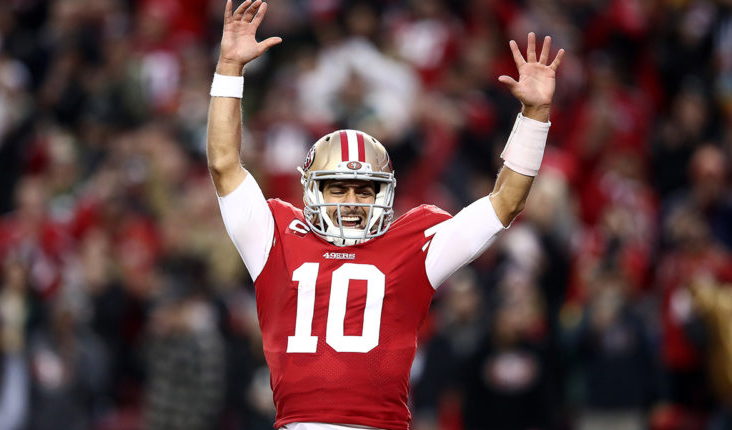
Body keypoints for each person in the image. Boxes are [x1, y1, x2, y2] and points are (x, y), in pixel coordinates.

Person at [207, 1, 564, 429]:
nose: (353, 201)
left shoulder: (415, 243)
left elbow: (505, 202)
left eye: (365, 189)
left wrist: (535, 116)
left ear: (386, 194)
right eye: (337, 188)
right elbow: (224, 163)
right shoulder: (275, 234)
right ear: (312, 191)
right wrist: (229, 67)